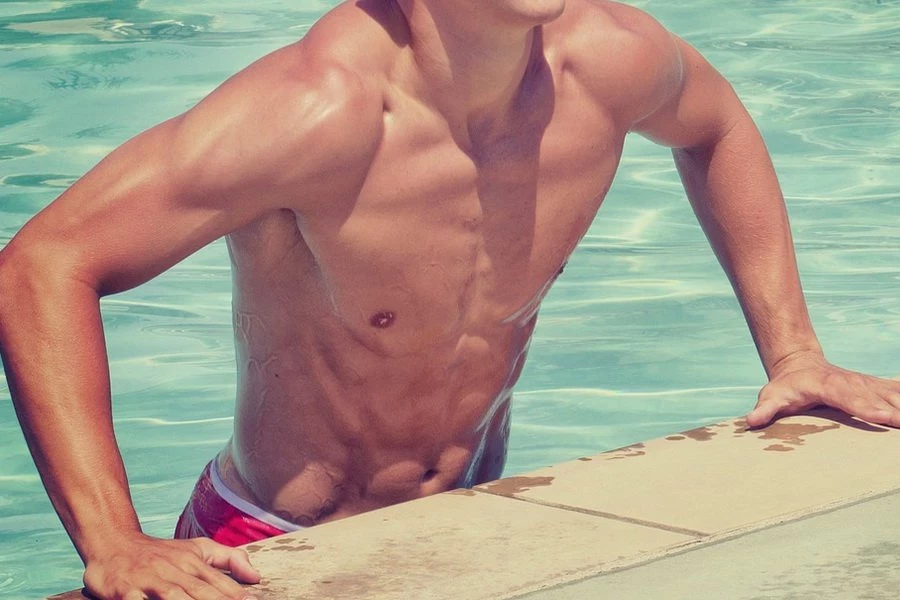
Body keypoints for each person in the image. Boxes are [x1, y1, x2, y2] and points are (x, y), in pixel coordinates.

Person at [0, 0, 898, 598]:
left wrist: (794, 354)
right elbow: (42, 264)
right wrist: (112, 540)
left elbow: (717, 124)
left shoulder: (610, 63)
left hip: (469, 517)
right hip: (268, 545)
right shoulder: (315, 113)